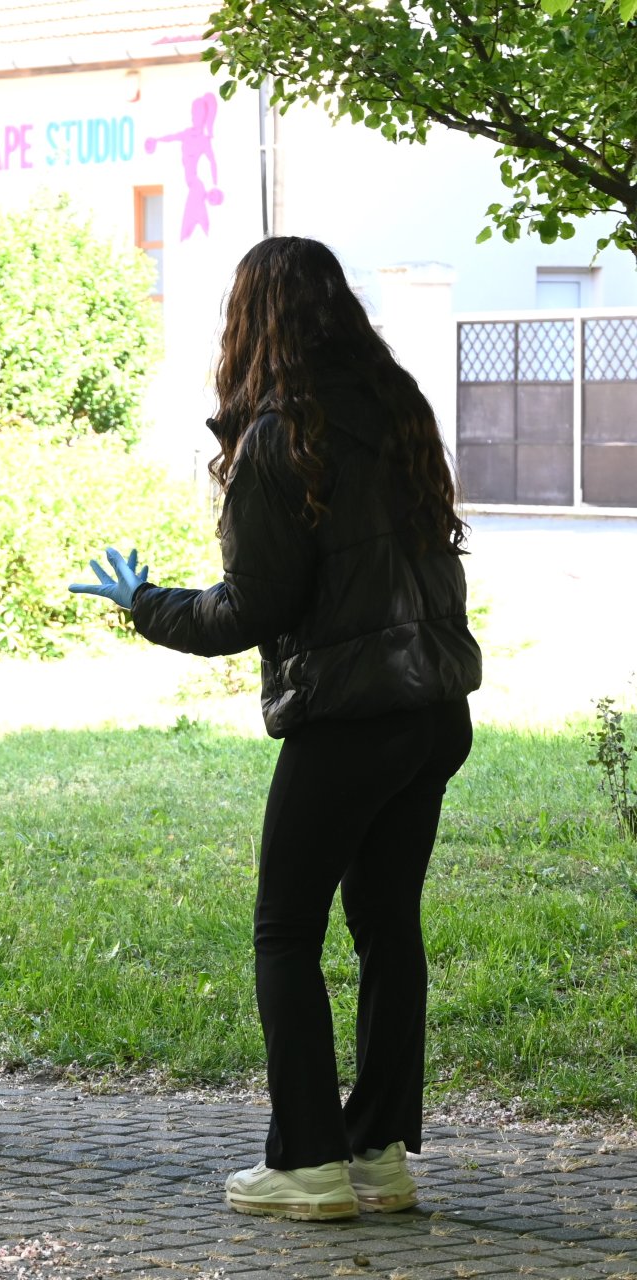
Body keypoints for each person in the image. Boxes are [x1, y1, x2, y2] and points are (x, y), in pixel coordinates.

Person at [70, 235, 482, 1221]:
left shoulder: (278, 437)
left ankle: (306, 1161)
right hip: (434, 709)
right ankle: (377, 1151)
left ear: (252, 322)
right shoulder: (398, 410)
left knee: (284, 929)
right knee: (388, 927)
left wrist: (146, 605)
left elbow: (250, 608)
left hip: (351, 718)